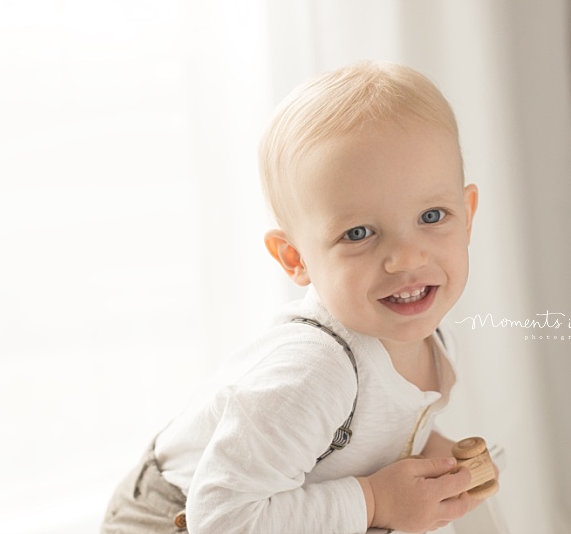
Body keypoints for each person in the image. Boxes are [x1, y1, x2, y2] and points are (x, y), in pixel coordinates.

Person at [102, 60, 491, 534]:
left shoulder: (420, 331)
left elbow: (380, 430)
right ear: (295, 258)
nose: (406, 259)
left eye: (432, 216)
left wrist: (438, 458)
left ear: (467, 215)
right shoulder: (313, 372)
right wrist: (374, 500)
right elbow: (221, 518)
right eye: (360, 232)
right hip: (180, 518)